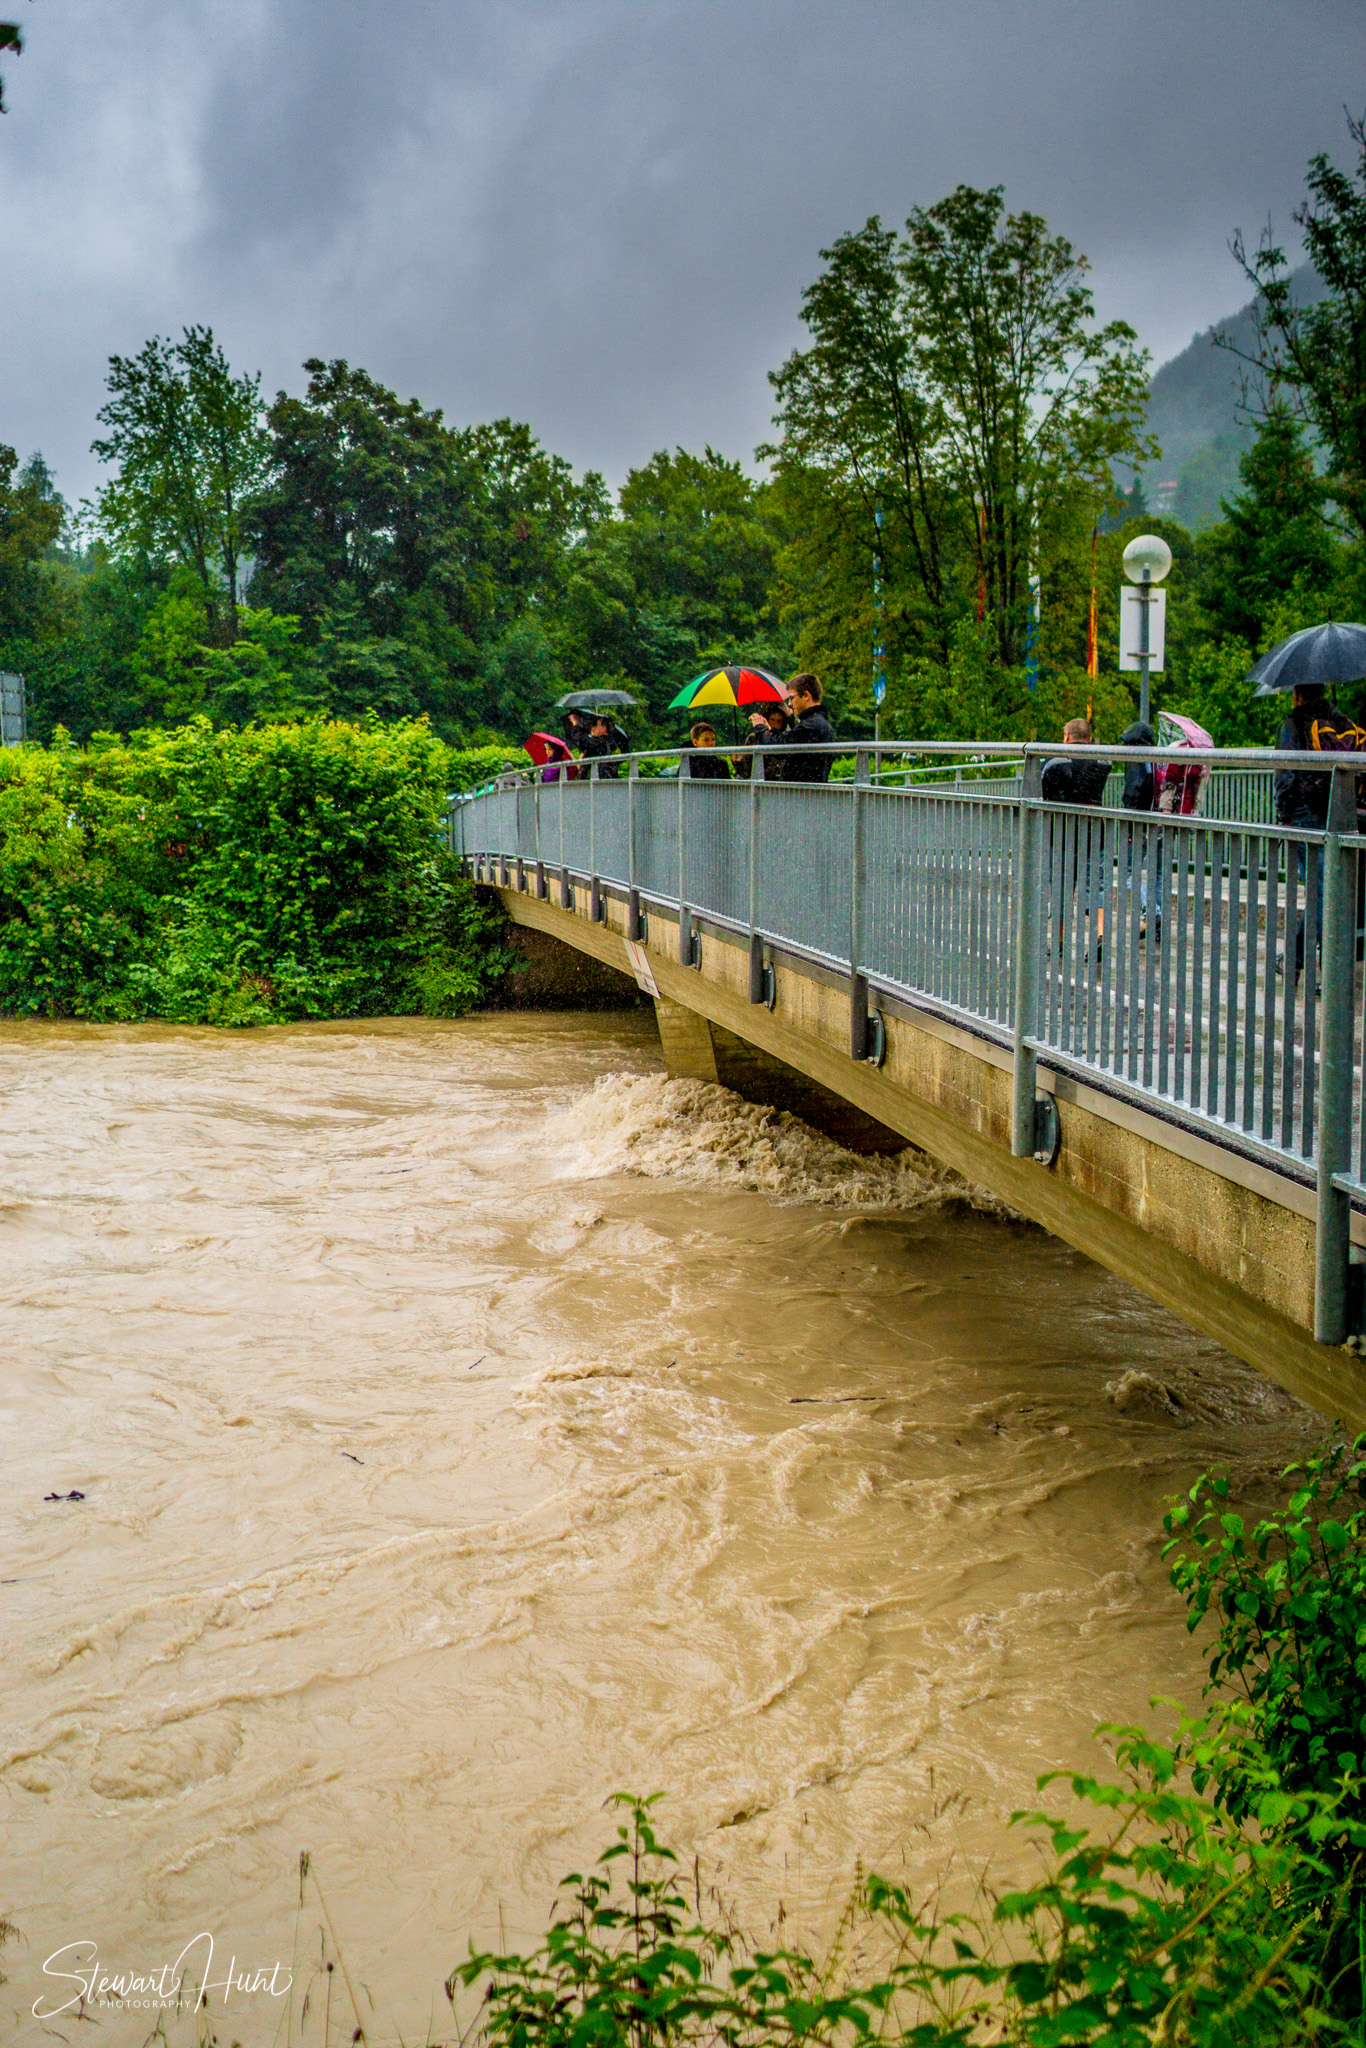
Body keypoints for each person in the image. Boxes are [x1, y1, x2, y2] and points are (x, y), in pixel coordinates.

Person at [1274, 682, 1366, 981]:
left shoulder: (1293, 724)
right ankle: (1301, 959)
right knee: (1328, 889)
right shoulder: (1343, 723)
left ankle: (1323, 968)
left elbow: (1285, 771)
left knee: (1323, 891)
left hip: (1305, 813)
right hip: (1341, 812)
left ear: (1298, 694)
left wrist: (1284, 815)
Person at [773, 674, 835, 783]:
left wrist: (760, 728)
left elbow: (778, 747)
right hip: (810, 794)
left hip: (801, 795)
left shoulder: (811, 726)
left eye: (792, 698)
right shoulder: (819, 723)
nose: (790, 704)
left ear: (806, 695)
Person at [1040, 717, 1111, 806]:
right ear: (1089, 739)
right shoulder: (1102, 762)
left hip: (1058, 817)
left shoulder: (1055, 761)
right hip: (1092, 817)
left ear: (1067, 736)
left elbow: (1038, 790)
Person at [733, 702, 789, 778]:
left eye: (779, 721)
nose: (775, 724)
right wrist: (737, 763)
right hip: (760, 782)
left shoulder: (784, 739)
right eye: (772, 720)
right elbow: (746, 771)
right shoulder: (753, 738)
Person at [580, 712, 626, 778]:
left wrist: (576, 725)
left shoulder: (600, 742)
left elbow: (585, 743)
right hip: (605, 777)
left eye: (596, 725)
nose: (593, 728)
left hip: (598, 778)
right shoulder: (610, 742)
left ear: (604, 728)